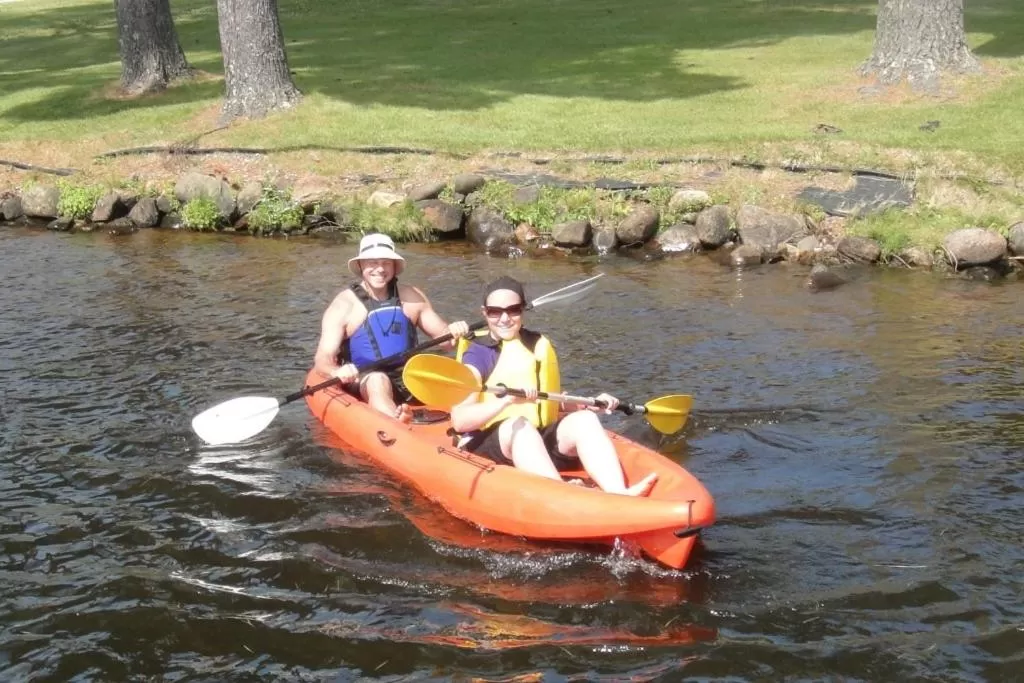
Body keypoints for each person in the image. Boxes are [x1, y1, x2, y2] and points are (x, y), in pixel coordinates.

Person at [450, 276, 657, 496]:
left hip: (534, 439)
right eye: (495, 312)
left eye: (513, 310)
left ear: (523, 311)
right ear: (484, 312)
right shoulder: (477, 353)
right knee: (519, 425)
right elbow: (460, 420)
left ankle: (619, 492)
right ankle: (562, 495)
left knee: (584, 420)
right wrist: (507, 401)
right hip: (488, 442)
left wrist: (588, 405)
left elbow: (550, 402)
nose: (504, 319)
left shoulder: (536, 344)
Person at [313, 233, 470, 421]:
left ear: (394, 267)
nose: (380, 269)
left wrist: (455, 331)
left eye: (386, 263)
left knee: (448, 373)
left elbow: (447, 341)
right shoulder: (343, 305)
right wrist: (337, 371)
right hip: (364, 379)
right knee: (378, 380)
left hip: (409, 375)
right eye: (372, 262)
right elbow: (323, 358)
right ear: (361, 265)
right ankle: (396, 424)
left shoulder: (412, 297)